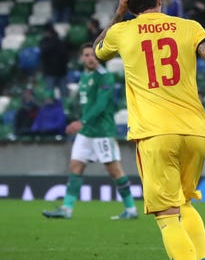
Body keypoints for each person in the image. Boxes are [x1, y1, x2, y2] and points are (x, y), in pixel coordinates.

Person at [93, 0, 205, 260]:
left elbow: (97, 50)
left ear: (131, 4)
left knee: (166, 216)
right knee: (184, 202)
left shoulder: (122, 32)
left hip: (155, 134)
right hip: (195, 131)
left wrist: (117, 12)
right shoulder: (189, 27)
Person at [42, 43, 138, 220]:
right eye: (86, 55)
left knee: (114, 171)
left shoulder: (105, 77)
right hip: (86, 132)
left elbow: (101, 105)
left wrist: (82, 121)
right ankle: (66, 209)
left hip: (102, 132)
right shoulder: (84, 77)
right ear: (81, 58)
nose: (90, 58)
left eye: (93, 55)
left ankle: (131, 209)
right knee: (75, 166)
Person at [39, 22, 69, 98]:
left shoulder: (45, 42)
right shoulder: (59, 41)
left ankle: (65, 108)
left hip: (54, 72)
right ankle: (64, 109)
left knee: (52, 96)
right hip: (58, 72)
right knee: (60, 96)